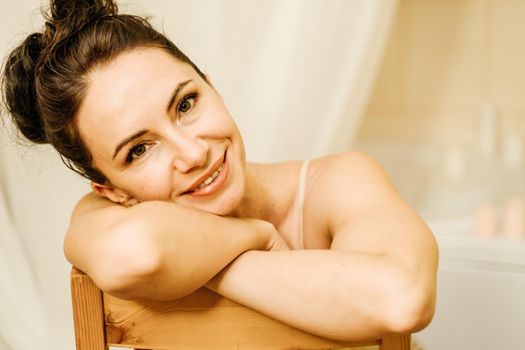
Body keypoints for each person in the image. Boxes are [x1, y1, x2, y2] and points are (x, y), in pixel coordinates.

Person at [1, 0, 438, 342]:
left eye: (186, 104)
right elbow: (135, 254)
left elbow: (402, 300)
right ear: (111, 191)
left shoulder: (337, 181)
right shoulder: (107, 221)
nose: (191, 153)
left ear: (212, 85)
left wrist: (218, 263)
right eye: (139, 150)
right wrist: (257, 236)